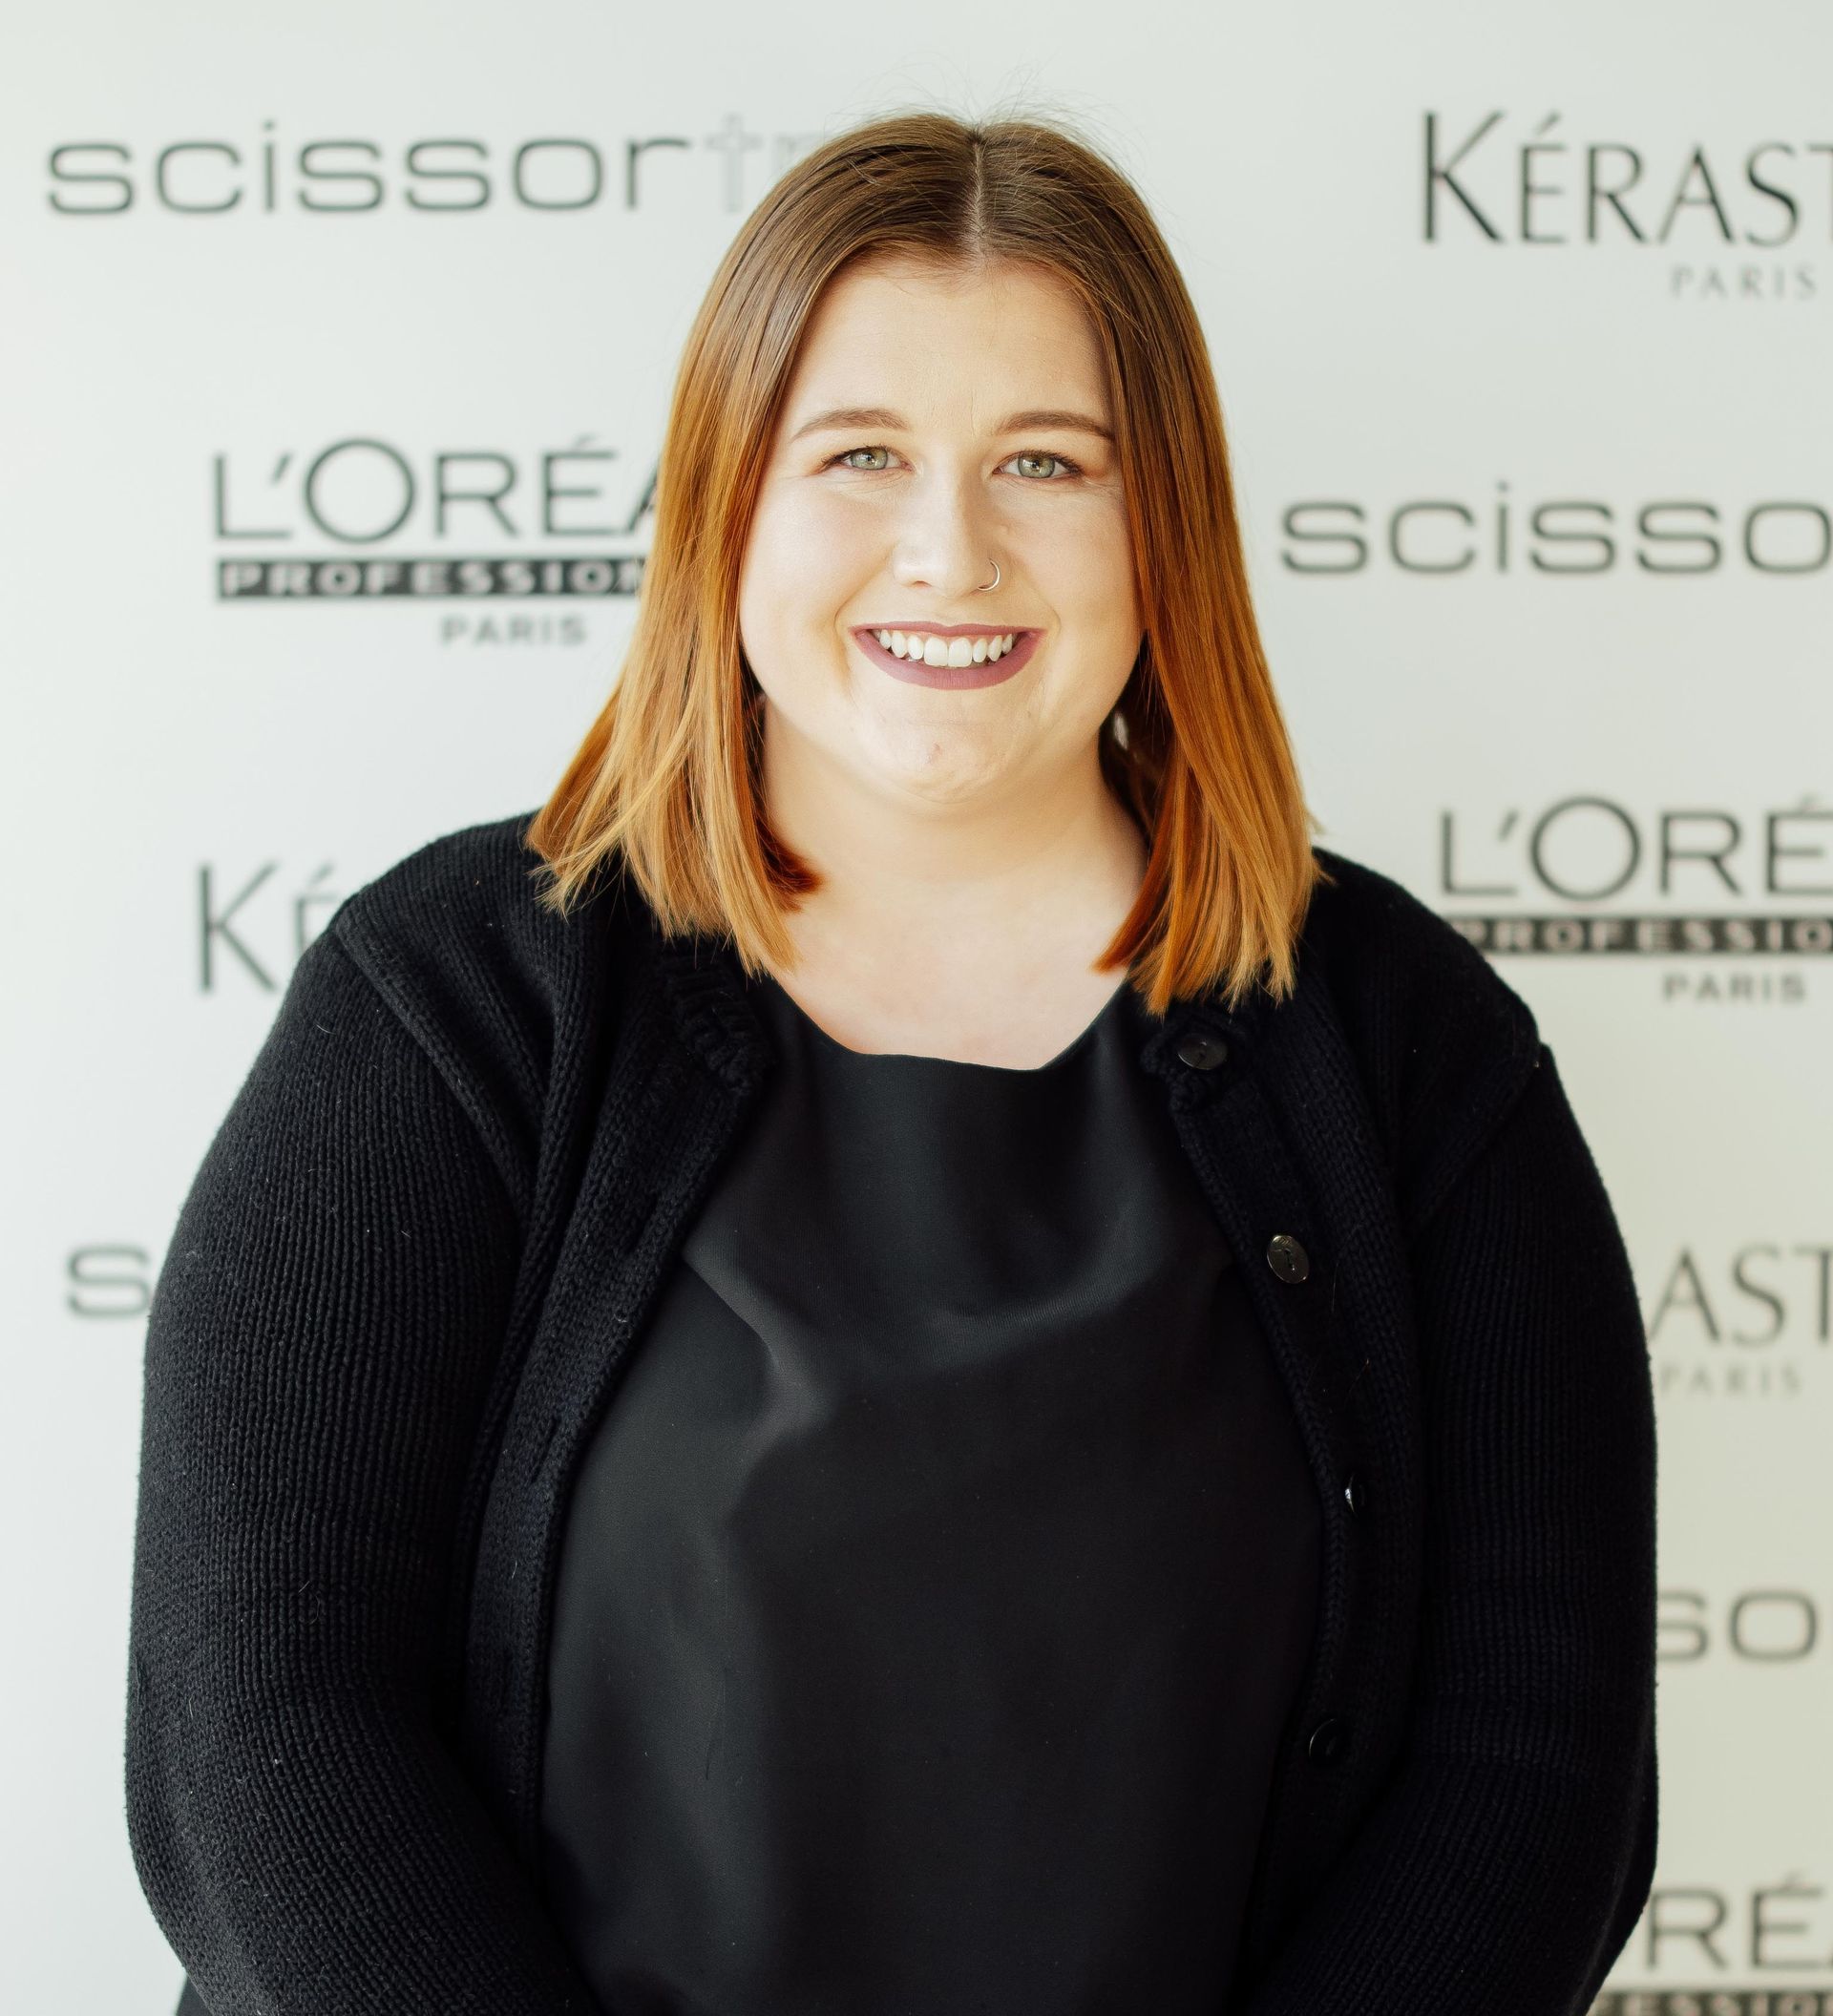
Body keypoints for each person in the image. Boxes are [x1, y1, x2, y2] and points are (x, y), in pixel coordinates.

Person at [125, 108, 1656, 2016]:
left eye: (1047, 462)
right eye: (859, 455)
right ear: (727, 500)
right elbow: (265, 1722)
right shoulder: (452, 1003)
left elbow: (1530, 1762)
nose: (954, 549)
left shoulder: (1417, 1057)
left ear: (1160, 521)